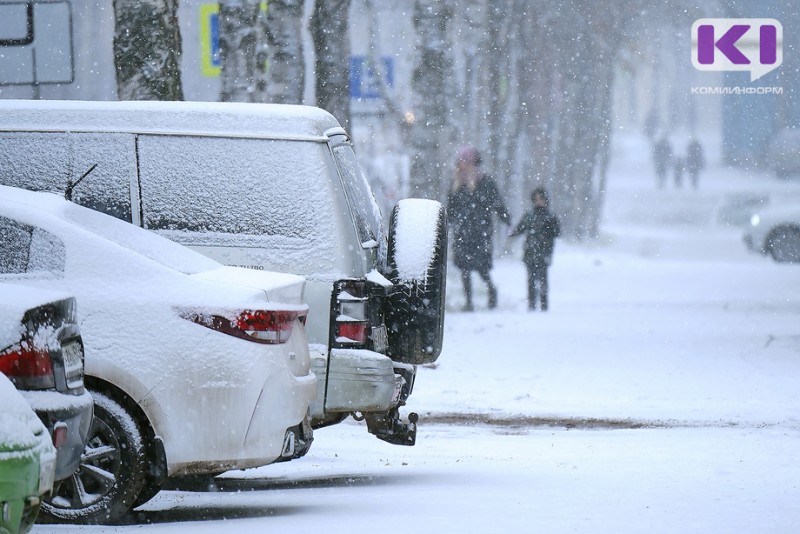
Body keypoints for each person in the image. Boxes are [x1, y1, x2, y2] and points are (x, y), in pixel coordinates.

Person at [447, 146, 510, 311]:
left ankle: (492, 290)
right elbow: (451, 208)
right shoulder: (456, 183)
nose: (462, 165)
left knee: (482, 268)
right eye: (460, 162)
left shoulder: (485, 182)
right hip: (462, 233)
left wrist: (505, 218)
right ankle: (469, 302)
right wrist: (446, 223)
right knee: (464, 268)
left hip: (480, 232)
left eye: (465, 161)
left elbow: (497, 202)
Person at [509, 187, 560, 311]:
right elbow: (519, 229)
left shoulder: (550, 216)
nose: (538, 202)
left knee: (543, 279)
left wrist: (546, 234)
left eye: (541, 199)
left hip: (544, 252)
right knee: (531, 279)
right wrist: (512, 233)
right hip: (530, 251)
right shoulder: (529, 215)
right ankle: (532, 303)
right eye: (536, 199)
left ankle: (544, 303)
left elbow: (557, 232)